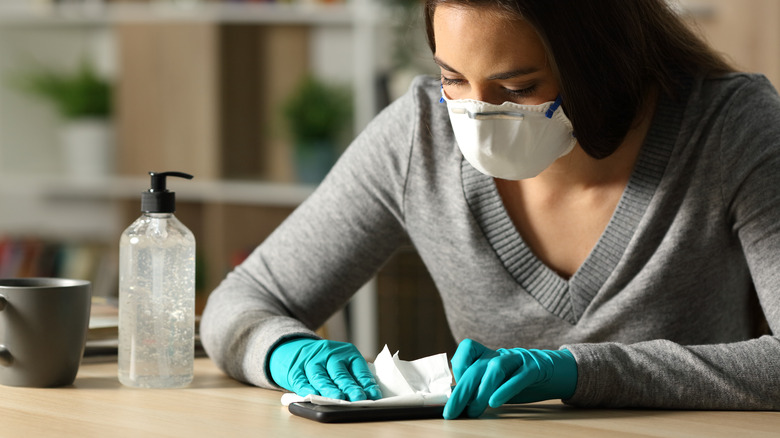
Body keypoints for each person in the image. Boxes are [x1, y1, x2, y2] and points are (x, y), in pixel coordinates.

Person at [200, 0, 780, 419]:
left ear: (603, 63)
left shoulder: (730, 127)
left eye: (518, 88)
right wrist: (283, 351)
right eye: (453, 78)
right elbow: (240, 302)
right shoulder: (420, 135)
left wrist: (581, 372)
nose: (476, 115)